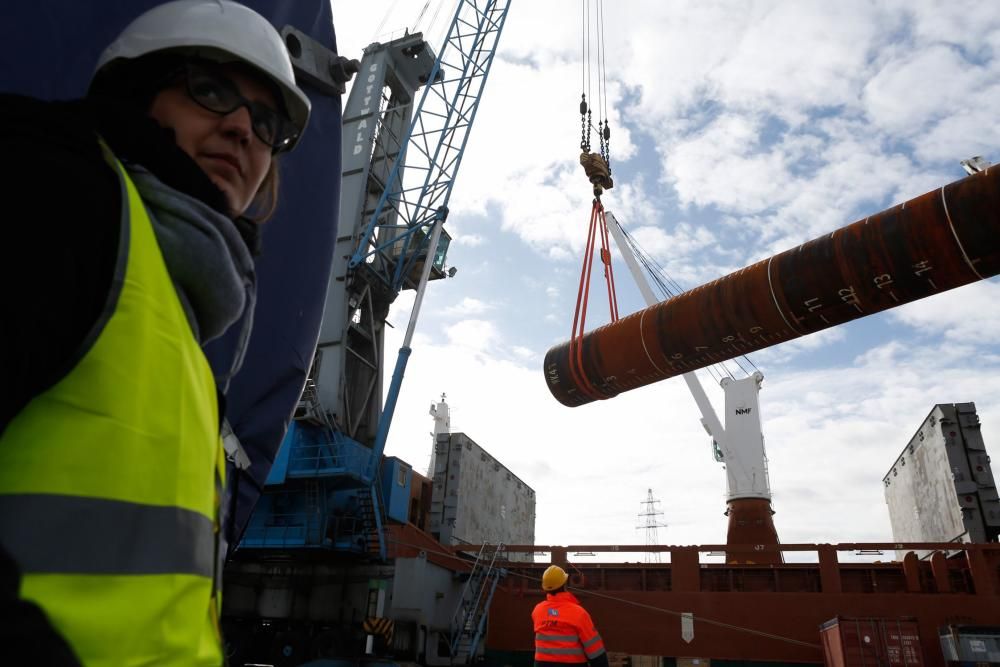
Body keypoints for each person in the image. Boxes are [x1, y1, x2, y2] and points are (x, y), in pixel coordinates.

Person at [0, 1, 311, 664]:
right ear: (137, 93)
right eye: (211, 89)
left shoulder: (182, 321)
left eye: (268, 122)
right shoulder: (55, 194)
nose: (241, 130)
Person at [532, 565, 610, 667]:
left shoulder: (538, 611)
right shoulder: (578, 613)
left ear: (544, 587)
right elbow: (594, 648)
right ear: (564, 584)